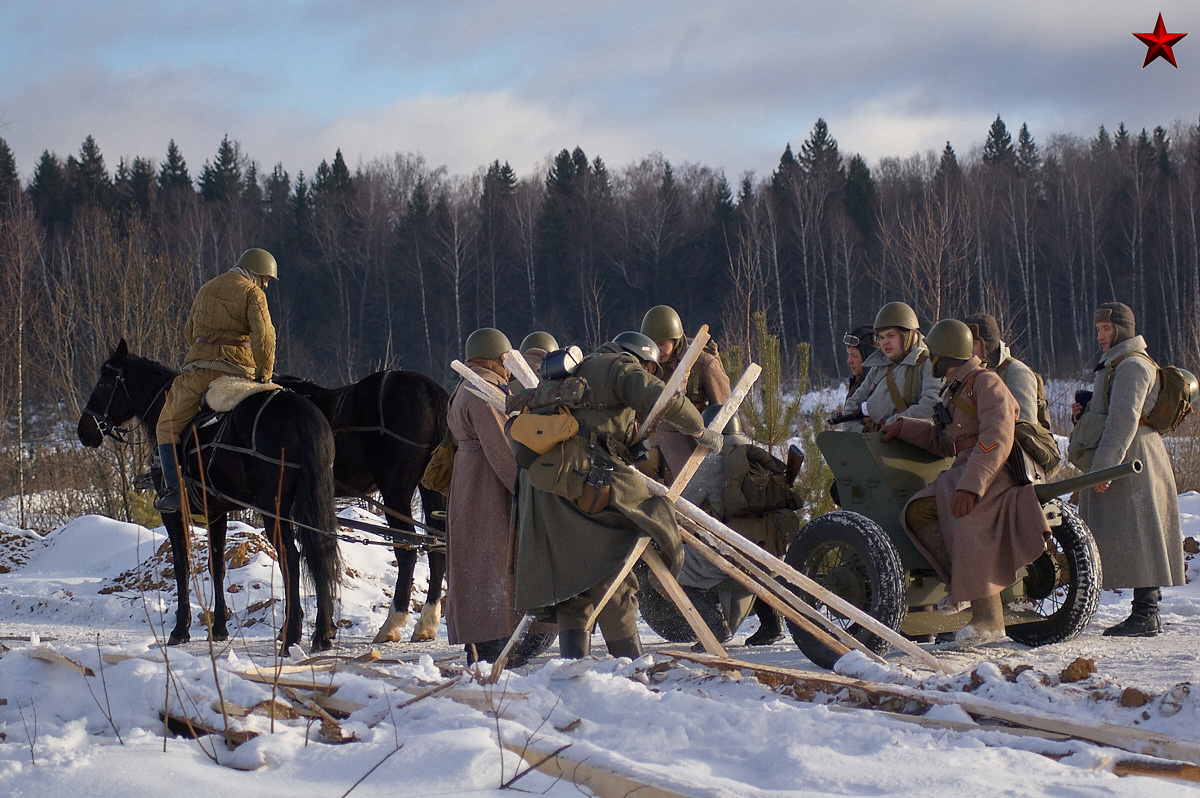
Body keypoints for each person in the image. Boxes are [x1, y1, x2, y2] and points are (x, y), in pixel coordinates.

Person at [513, 331, 720, 659]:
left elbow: (598, 426)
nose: (649, 373)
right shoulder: (620, 366)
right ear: (643, 360)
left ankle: (573, 670)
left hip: (547, 488)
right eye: (650, 369)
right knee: (614, 574)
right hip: (585, 482)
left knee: (573, 585)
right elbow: (662, 398)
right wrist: (699, 430)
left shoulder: (577, 368)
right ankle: (632, 668)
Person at [881, 319, 1049, 647]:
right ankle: (963, 586)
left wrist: (972, 485)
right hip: (964, 471)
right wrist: (904, 428)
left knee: (969, 522)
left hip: (994, 474)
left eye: (934, 355)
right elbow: (946, 443)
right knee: (916, 513)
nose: (930, 361)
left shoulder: (986, 382)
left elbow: (998, 435)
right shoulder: (957, 387)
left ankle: (989, 621)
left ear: (946, 354)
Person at [1069, 302, 1185, 636]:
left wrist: (1104, 469)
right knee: (1133, 532)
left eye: (1105, 329)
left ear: (1121, 329)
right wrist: (1086, 412)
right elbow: (1111, 412)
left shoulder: (1133, 365)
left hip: (1134, 459)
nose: (1100, 336)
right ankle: (1144, 613)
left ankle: (1147, 614)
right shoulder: (1118, 364)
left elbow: (1124, 420)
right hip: (1127, 456)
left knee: (1141, 534)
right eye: (1097, 330)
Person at [445, 327, 552, 665]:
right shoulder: (483, 390)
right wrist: (530, 490)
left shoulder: (466, 384)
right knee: (489, 562)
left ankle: (487, 638)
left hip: (470, 483)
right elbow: (503, 450)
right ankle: (490, 640)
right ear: (496, 357)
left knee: (477, 560)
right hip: (484, 489)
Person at [153, 248, 278, 512]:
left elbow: (190, 333)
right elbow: (264, 336)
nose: (266, 283)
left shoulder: (206, 288)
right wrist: (264, 374)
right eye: (265, 278)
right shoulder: (253, 293)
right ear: (255, 272)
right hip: (240, 371)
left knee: (166, 425)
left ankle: (175, 492)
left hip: (200, 373)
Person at [677, 404, 800, 646]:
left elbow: (680, 504)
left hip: (733, 557)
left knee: (674, 565)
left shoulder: (708, 462)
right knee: (760, 561)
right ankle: (771, 625)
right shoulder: (758, 455)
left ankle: (715, 626)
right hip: (772, 555)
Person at [641, 305, 731, 479]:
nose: (658, 351)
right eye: (653, 344)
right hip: (651, 449)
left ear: (675, 340)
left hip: (693, 446)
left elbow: (724, 414)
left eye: (662, 344)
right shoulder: (645, 367)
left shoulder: (703, 363)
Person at [842, 301, 941, 430]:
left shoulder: (929, 363)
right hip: (876, 445)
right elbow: (852, 406)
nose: (885, 342)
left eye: (891, 335)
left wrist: (893, 425)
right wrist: (863, 433)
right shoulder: (879, 367)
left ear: (908, 335)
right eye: (881, 337)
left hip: (913, 444)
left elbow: (932, 405)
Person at [961, 313, 1040, 426]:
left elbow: (1025, 427)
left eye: (974, 343)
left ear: (988, 345)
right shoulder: (967, 373)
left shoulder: (1017, 372)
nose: (968, 349)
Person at [835, 325, 878, 431]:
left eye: (854, 356)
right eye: (849, 355)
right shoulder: (857, 385)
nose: (849, 361)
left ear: (868, 357)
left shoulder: (880, 385)